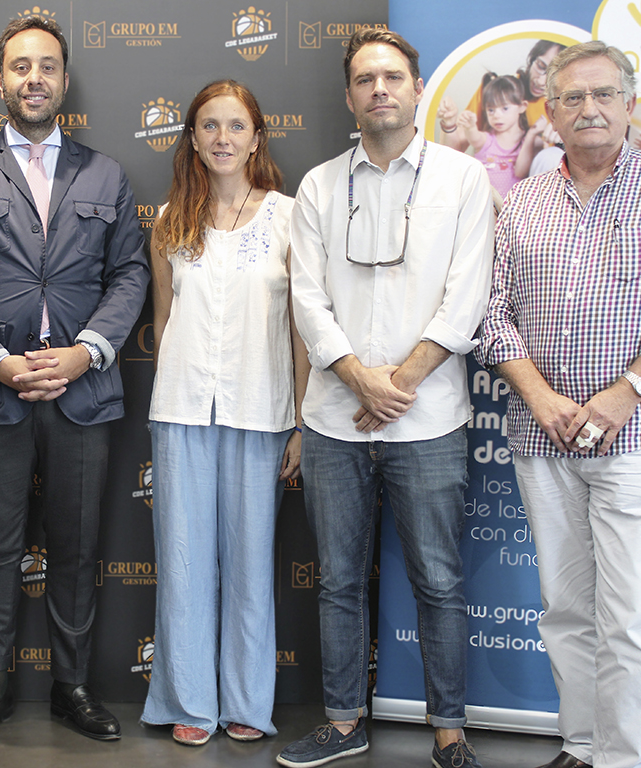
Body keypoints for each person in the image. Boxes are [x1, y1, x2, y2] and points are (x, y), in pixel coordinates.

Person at [0, 15, 149, 746]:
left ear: (64, 79)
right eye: (20, 67)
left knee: (78, 546)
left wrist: (86, 352)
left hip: (83, 392)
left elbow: (131, 274)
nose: (34, 79)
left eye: (47, 66)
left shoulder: (105, 174)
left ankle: (72, 687)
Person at [279, 28, 494, 768]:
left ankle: (449, 731)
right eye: (366, 79)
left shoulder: (463, 181)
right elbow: (307, 300)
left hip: (427, 418)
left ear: (417, 88)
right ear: (349, 96)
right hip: (336, 419)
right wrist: (358, 379)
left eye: (393, 77)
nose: (380, 90)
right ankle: (343, 723)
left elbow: (466, 299)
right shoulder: (316, 185)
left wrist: (394, 385)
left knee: (437, 578)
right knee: (338, 580)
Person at [476, 41, 641, 768]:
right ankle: (580, 744)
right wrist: (538, 396)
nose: (589, 109)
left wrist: (625, 390)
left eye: (604, 94)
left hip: (631, 439)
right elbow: (492, 310)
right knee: (565, 609)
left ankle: (622, 755)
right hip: (541, 436)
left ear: (631, 105)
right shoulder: (525, 201)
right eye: (572, 98)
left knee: (628, 618)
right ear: (550, 112)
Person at [139, 80, 307, 747]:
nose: (222, 139)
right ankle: (188, 698)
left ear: (257, 137)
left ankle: (245, 701)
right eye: (209, 127)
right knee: (181, 560)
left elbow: (300, 328)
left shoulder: (290, 218)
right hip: (181, 409)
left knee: (250, 565)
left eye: (235, 126)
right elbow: (163, 320)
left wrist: (297, 417)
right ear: (192, 139)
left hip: (261, 411)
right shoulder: (169, 219)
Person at [439, 40, 565, 156]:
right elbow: (453, 153)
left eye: (553, 74)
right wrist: (449, 124)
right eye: (541, 66)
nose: (542, 81)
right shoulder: (495, 90)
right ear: (532, 60)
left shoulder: (563, 105)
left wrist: (566, 136)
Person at [453, 73, 539, 196]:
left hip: (515, 208)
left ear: (522, 107)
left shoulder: (530, 140)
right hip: (485, 205)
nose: (496, 115)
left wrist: (533, 135)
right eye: (491, 110)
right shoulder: (487, 139)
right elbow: (474, 137)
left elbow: (524, 171)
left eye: (505, 108)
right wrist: (470, 126)